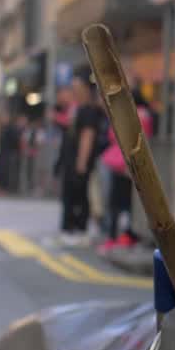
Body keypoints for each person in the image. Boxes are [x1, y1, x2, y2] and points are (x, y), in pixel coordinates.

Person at [97, 88, 154, 254]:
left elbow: (114, 136)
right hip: (132, 164)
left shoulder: (129, 115)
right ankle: (125, 237)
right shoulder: (145, 115)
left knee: (116, 203)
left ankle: (115, 238)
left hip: (120, 163)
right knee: (128, 204)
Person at [57, 66, 103, 247]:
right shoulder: (77, 109)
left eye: (76, 88)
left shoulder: (89, 111)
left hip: (80, 163)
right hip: (71, 161)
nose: (73, 92)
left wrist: (81, 163)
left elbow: (87, 137)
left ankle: (79, 230)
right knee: (70, 195)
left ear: (85, 89)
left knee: (80, 196)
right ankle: (70, 229)